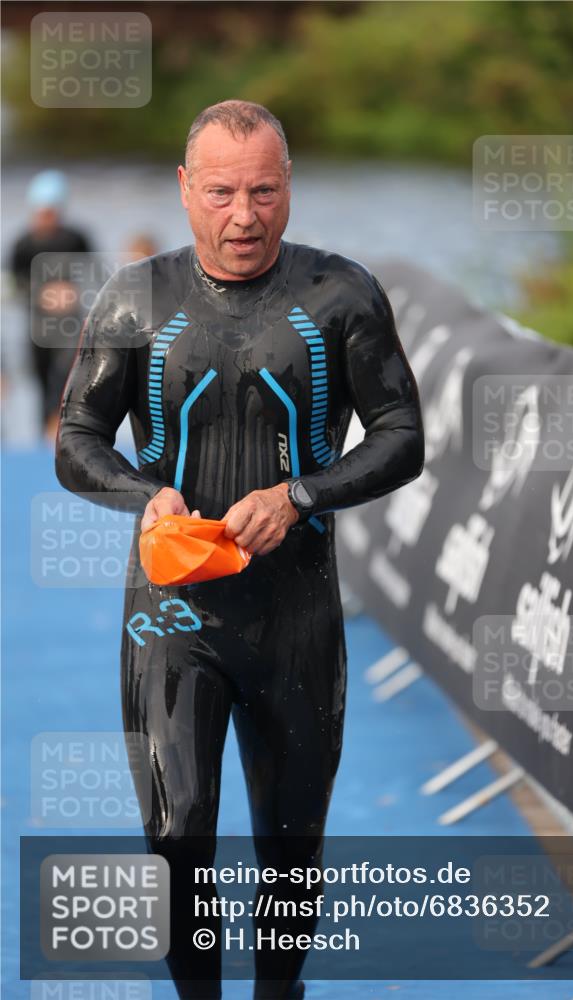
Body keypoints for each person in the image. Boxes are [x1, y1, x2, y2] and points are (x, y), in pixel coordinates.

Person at [55, 100, 424, 999]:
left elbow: (401, 435)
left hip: (297, 614)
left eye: (263, 191)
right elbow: (75, 439)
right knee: (179, 832)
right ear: (186, 191)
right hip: (173, 615)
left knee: (290, 848)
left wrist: (301, 495)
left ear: (287, 187)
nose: (243, 216)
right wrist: (148, 497)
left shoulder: (340, 295)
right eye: (220, 192)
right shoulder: (139, 295)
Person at [10, 170, 93, 439]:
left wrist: (72, 292)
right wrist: (40, 294)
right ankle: (40, 440)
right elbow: (10, 285)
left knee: (66, 380)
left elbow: (94, 275)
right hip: (37, 326)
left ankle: (64, 437)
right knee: (40, 382)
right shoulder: (23, 244)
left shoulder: (75, 238)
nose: (47, 218)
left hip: (68, 326)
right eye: (42, 212)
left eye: (52, 211)